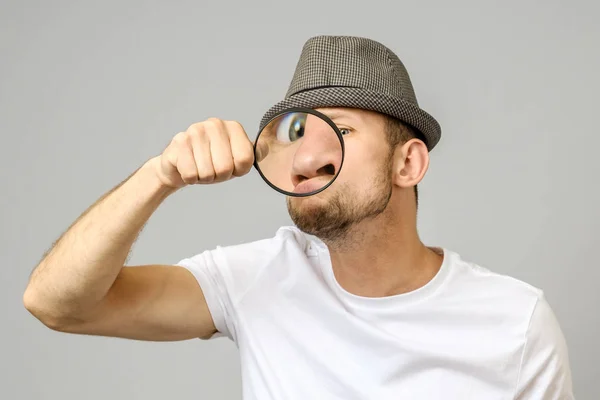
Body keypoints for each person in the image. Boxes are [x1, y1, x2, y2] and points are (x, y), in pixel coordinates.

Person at [23, 35, 574, 399]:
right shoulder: (257, 279)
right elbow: (56, 305)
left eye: (340, 128)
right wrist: (158, 176)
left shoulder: (515, 322)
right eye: (294, 133)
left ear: (409, 162)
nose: (306, 158)